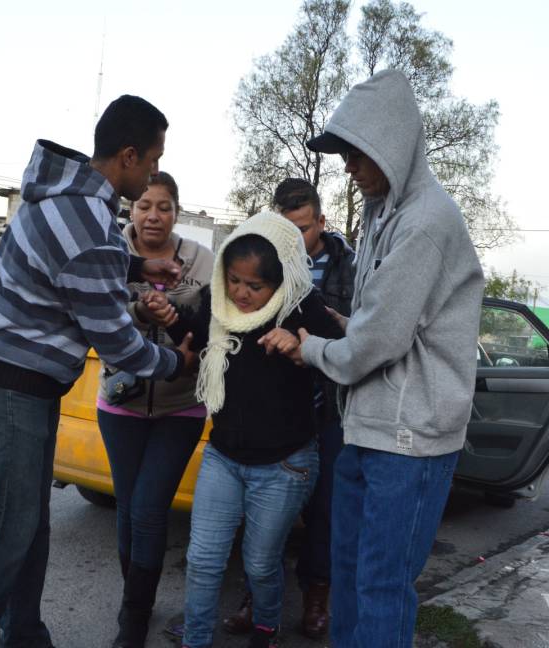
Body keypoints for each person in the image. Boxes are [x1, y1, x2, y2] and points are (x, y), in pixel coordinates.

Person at [0, 95, 196, 648]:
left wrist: (136, 264)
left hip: (5, 377)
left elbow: (81, 256)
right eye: (153, 159)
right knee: (9, 531)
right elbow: (118, 343)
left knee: (27, 527)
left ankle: (25, 636)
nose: (155, 171)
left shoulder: (73, 196)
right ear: (129, 156)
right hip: (12, 387)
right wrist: (175, 361)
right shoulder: (87, 215)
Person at [282, 69, 485, 647]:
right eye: (345, 153)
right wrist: (337, 327)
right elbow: (380, 323)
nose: (348, 165)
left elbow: (378, 344)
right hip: (367, 429)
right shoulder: (381, 215)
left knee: (380, 586)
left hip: (410, 440)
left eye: (356, 153)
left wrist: (312, 348)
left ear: (391, 145)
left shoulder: (425, 222)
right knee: (348, 575)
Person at [155, 212, 343, 648]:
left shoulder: (302, 306)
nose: (240, 293)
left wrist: (304, 348)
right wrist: (169, 318)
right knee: (203, 560)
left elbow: (344, 356)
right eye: (234, 280)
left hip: (284, 465)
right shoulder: (218, 302)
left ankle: (265, 631)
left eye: (254, 286)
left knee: (260, 564)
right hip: (224, 456)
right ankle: (196, 640)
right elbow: (196, 334)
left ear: (279, 282)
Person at [221, 178, 356, 640]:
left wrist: (313, 341)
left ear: (322, 221)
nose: (295, 239)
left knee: (324, 510)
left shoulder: (348, 266)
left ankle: (317, 596)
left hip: (330, 407)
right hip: (276, 410)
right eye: (287, 227)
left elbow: (357, 336)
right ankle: (257, 595)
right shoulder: (265, 254)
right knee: (262, 510)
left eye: (304, 228)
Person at [96, 171, 214, 648]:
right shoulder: (110, 255)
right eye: (144, 205)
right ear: (132, 211)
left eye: (163, 206)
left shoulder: (202, 261)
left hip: (180, 406)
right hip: (120, 404)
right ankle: (135, 597)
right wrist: (140, 312)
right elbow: (98, 315)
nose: (153, 215)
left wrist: (177, 316)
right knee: (128, 509)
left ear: (176, 212)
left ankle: (133, 618)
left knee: (148, 509)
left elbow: (211, 327)